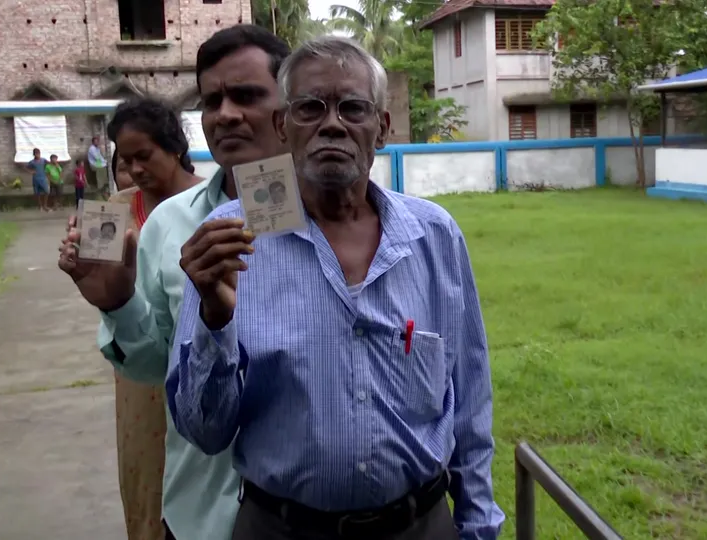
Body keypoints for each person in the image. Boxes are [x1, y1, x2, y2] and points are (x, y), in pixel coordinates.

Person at [168, 36, 504, 540]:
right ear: (283, 127)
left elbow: (470, 399)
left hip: (421, 524)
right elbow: (205, 432)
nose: (332, 123)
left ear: (382, 129)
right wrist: (214, 320)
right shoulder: (229, 241)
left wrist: (478, 523)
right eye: (309, 108)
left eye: (352, 108)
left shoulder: (434, 236)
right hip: (281, 528)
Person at [57, 25, 291, 540]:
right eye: (211, 101)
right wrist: (119, 303)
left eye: (247, 95)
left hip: (307, 515)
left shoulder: (341, 221)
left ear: (291, 107)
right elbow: (154, 365)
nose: (226, 113)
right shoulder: (169, 224)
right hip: (201, 514)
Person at [90, 98, 202, 540]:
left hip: (194, 356)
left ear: (174, 148)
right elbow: (103, 286)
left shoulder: (211, 203)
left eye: (144, 156)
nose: (134, 169)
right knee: (143, 471)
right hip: (139, 371)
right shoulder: (114, 210)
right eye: (125, 158)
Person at [24, 148, 50, 212]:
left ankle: (45, 205)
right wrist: (31, 172)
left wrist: (47, 171)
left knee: (46, 191)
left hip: (43, 178)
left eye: (38, 153)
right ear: (34, 154)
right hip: (36, 178)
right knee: (37, 193)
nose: (37, 155)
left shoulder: (43, 160)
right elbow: (26, 167)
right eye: (36, 153)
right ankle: (40, 206)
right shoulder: (32, 162)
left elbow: (49, 164)